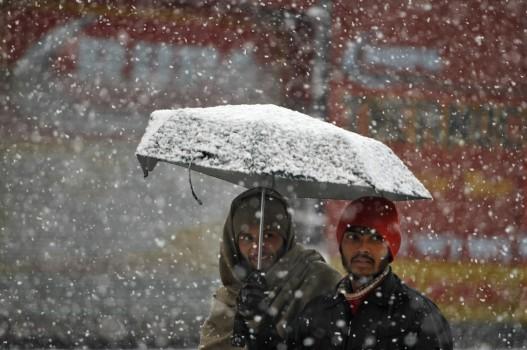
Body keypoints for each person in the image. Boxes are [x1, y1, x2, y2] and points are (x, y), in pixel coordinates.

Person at [289, 196, 453, 349]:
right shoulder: (317, 311)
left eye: (375, 239)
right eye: (353, 238)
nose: (362, 248)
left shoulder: (418, 316)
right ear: (341, 244)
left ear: (390, 247)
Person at [198, 187, 342, 349]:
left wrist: (263, 325)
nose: (258, 247)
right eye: (246, 238)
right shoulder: (231, 296)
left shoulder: (317, 280)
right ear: (233, 244)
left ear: (285, 236)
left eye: (269, 235)